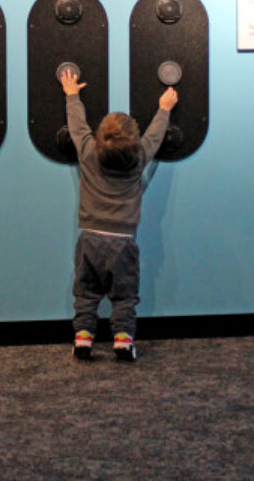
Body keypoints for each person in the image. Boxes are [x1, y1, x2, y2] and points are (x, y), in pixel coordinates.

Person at [59, 67, 177, 362]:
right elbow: (154, 137)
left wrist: (72, 94)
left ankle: (83, 338)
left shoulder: (88, 152)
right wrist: (164, 109)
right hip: (123, 241)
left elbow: (77, 127)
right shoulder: (138, 160)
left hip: (90, 237)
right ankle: (123, 341)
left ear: (99, 138)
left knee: (86, 292)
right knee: (124, 295)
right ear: (133, 146)